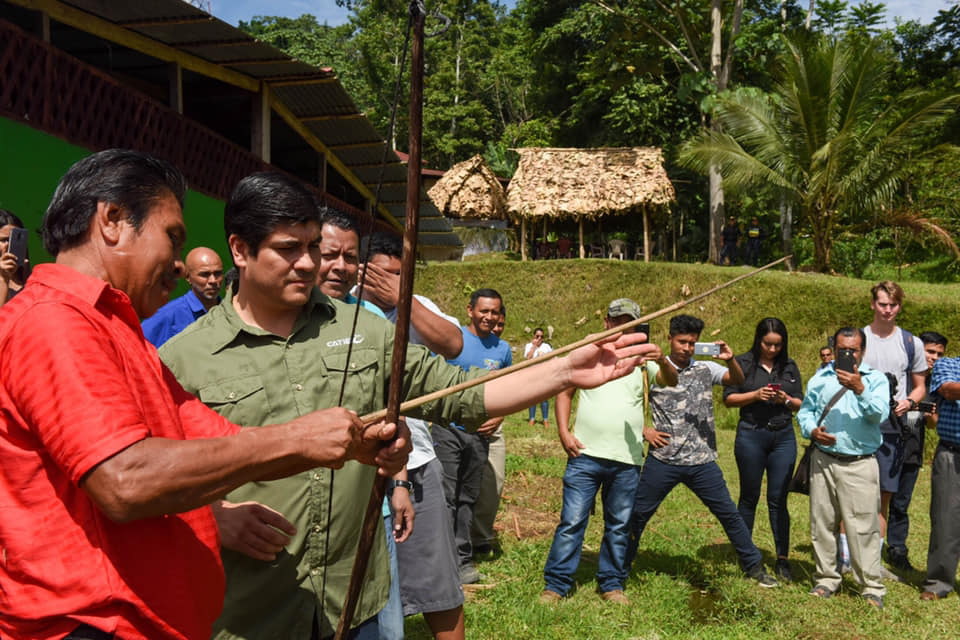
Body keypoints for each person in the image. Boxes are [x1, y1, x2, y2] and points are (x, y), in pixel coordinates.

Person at [159, 172, 659, 639]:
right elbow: (147, 478)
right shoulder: (183, 358)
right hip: (248, 610)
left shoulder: (365, 329)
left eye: (312, 246)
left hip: (351, 599)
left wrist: (565, 370)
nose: (308, 263)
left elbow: (460, 392)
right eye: (288, 249)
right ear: (240, 249)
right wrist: (213, 517)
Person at [0, 149, 403, 640]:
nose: (178, 262)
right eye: (172, 237)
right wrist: (297, 439)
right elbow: (125, 479)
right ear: (112, 220)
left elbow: (219, 437)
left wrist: (347, 442)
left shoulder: (116, 330)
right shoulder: (54, 320)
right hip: (88, 627)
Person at [360, 230, 467, 639]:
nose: (393, 281)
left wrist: (403, 299)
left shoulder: (416, 305)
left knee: (438, 580)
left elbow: (453, 344)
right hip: (361, 469)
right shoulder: (345, 308)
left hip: (416, 461)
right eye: (385, 273)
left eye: (401, 274)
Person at [626, 314, 779, 588]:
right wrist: (644, 430)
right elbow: (630, 402)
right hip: (664, 459)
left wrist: (730, 359)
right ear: (670, 338)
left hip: (702, 461)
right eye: (682, 342)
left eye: (692, 343)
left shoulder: (706, 368)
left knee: (729, 515)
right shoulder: (653, 369)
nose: (686, 348)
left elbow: (737, 380)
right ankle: (621, 565)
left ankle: (754, 566)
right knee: (638, 514)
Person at [541, 299, 676, 605]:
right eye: (618, 321)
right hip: (585, 454)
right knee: (572, 522)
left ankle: (611, 584)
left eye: (631, 322)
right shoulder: (591, 352)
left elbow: (670, 380)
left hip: (627, 459)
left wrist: (662, 359)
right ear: (607, 322)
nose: (623, 327)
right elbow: (565, 391)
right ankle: (556, 585)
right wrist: (563, 431)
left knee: (619, 525)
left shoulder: (643, 358)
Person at [800, 327, 889, 609]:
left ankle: (871, 586)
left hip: (860, 463)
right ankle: (826, 579)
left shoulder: (875, 379)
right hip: (824, 460)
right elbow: (806, 411)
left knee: (864, 527)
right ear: (834, 349)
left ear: (863, 351)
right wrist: (812, 431)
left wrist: (860, 388)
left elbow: (879, 415)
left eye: (853, 350)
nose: (848, 354)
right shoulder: (820, 378)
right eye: (842, 350)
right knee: (822, 522)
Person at [436, 289, 511, 583]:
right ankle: (441, 558)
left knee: (467, 497)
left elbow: (509, 388)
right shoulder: (453, 341)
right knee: (445, 495)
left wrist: (498, 417)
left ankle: (463, 559)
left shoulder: (502, 349)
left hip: (478, 435)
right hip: (447, 429)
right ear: (470, 311)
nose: (489, 317)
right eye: (484, 311)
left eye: (494, 312)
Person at [723, 318, 803, 581]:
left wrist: (785, 400)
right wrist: (756, 395)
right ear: (758, 340)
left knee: (778, 499)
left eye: (778, 345)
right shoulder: (743, 363)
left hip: (783, 436)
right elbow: (729, 399)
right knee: (749, 496)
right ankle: (746, 557)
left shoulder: (789, 366)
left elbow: (801, 402)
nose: (772, 349)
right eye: (768, 344)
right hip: (751, 434)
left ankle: (782, 559)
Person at [861, 280, 926, 573]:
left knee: (883, 497)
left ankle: (872, 561)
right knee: (853, 495)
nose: (887, 310)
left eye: (893, 305)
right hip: (860, 424)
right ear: (873, 304)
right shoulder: (859, 338)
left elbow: (920, 386)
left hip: (892, 427)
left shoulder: (911, 343)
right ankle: (847, 556)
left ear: (899, 306)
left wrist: (909, 402)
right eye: (883, 304)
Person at [887, 331, 948, 572]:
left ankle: (897, 549)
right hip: (886, 444)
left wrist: (928, 413)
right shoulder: (900, 375)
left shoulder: (936, 385)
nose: (934, 358)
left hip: (912, 448)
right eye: (930, 351)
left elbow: (933, 424)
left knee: (901, 504)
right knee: (875, 500)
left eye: (939, 354)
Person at [921, 351, 960, 601]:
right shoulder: (948, 365)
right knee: (946, 518)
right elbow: (948, 390)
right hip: (952, 453)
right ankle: (938, 582)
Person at [141, 246, 224, 347]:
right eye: (205, 274)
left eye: (218, 273)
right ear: (188, 277)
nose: (213, 281)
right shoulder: (167, 315)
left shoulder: (230, 312)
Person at [0, 209, 30, 308]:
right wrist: (3, 278)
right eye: (4, 240)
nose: (9, 245)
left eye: (15, 239)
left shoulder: (29, 279)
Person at [525, 327, 553, 427]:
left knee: (544, 398)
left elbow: (553, 358)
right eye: (537, 336)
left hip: (544, 373)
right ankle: (532, 419)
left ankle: (545, 420)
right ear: (534, 336)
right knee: (533, 397)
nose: (539, 338)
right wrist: (534, 346)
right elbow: (528, 358)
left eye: (541, 336)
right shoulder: (529, 345)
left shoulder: (547, 346)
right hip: (532, 373)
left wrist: (545, 355)